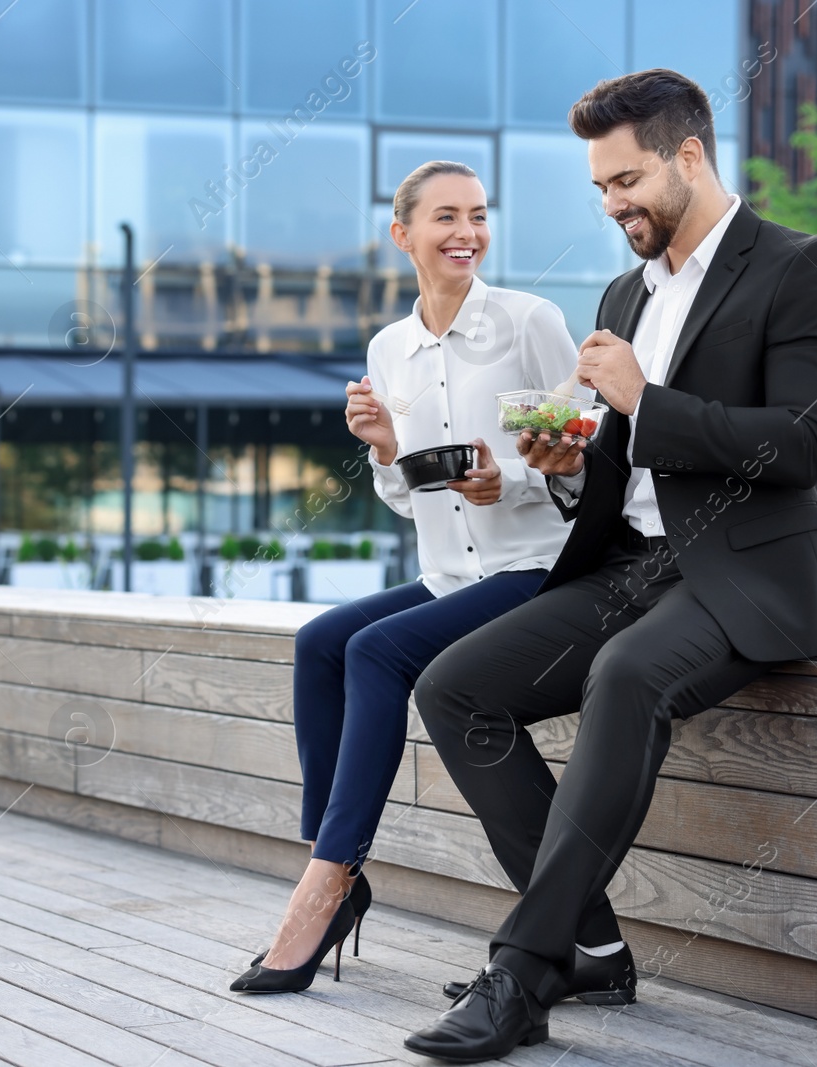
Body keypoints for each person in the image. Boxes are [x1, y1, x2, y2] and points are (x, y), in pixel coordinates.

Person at [403, 69, 817, 1061]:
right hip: (634, 563)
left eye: (626, 181)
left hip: (747, 574)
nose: (613, 205)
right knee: (453, 689)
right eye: (600, 188)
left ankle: (523, 973)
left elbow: (802, 445)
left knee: (627, 673)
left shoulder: (801, 268)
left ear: (687, 156)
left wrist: (646, 404)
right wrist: (571, 460)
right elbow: (617, 460)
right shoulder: (624, 292)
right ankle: (591, 942)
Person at [229, 161, 587, 993]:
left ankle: (325, 883)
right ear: (403, 236)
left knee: (376, 653)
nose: (467, 231)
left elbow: (582, 457)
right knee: (321, 641)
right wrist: (387, 448)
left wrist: (516, 478)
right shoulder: (391, 347)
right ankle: (340, 875)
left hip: (534, 568)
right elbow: (405, 494)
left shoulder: (529, 322)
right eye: (446, 217)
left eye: (478, 215)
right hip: (448, 576)